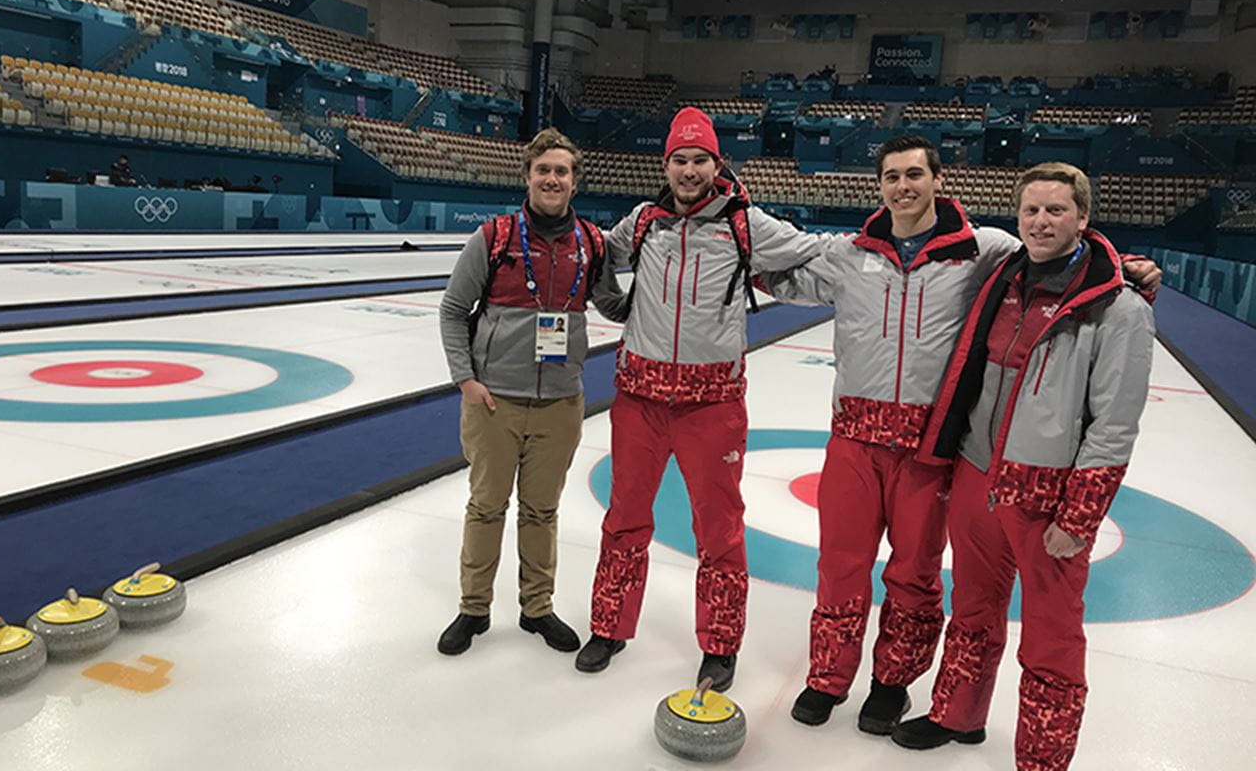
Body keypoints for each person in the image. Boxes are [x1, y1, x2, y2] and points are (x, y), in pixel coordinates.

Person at [759, 137, 1159, 736]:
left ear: (938, 179)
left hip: (928, 448)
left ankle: (891, 682)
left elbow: (1068, 263)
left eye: (914, 173)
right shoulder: (850, 254)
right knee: (840, 565)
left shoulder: (984, 250)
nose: (903, 186)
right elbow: (784, 279)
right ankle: (828, 677)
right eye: (891, 176)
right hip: (855, 439)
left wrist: (1126, 272)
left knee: (915, 573)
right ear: (879, 185)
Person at [892, 163, 1155, 771]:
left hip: (1049, 493)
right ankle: (956, 715)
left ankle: (1042, 757)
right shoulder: (1004, 277)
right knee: (974, 607)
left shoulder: (1118, 309)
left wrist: (1081, 516)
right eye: (1031, 210)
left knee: (1052, 636)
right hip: (977, 472)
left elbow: (1114, 425)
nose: (1041, 222)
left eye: (1056, 210)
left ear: (1083, 219)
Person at [574, 107, 823, 691]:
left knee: (719, 528)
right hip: (640, 398)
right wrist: (617, 307)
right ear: (666, 165)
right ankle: (609, 626)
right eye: (680, 160)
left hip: (712, 405)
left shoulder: (745, 224)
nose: (689, 170)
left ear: (717, 164)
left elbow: (812, 253)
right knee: (625, 519)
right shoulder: (643, 222)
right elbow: (596, 260)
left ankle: (720, 643)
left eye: (700, 160)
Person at [436, 128, 626, 656]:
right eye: (543, 170)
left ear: (574, 181)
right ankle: (473, 609)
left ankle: (536, 607)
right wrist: (465, 379)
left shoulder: (590, 243)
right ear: (528, 177)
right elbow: (454, 310)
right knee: (486, 507)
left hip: (561, 403)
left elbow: (611, 303)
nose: (552, 179)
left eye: (561, 171)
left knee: (542, 511)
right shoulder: (494, 237)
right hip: (494, 400)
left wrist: (659, 299)